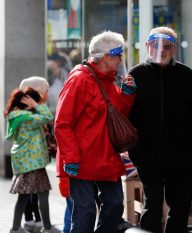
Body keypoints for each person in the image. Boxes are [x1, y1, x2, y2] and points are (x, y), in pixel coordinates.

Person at [128, 26, 192, 233]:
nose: (161, 50)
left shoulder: (186, 75)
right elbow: (123, 113)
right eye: (156, 45)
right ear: (148, 46)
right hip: (147, 155)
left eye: (166, 46)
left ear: (174, 49)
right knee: (153, 204)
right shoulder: (135, 75)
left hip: (181, 156)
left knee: (180, 207)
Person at [54, 30, 136, 233]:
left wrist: (127, 95)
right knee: (85, 214)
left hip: (105, 157)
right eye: (119, 55)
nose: (121, 60)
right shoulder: (79, 79)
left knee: (116, 205)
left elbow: (117, 116)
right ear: (107, 56)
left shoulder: (108, 80)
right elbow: (62, 123)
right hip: (82, 160)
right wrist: (71, 158)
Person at [4, 87, 55, 233]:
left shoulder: (16, 116)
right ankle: (47, 228)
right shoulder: (27, 118)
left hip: (24, 163)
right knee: (43, 193)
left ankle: (15, 228)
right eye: (35, 101)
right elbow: (48, 118)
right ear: (28, 102)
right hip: (34, 163)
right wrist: (36, 105)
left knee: (23, 196)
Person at [19, 77, 53, 233]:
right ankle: (32, 220)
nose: (48, 93)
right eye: (45, 90)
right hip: (29, 159)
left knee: (33, 191)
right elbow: (47, 120)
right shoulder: (27, 112)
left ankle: (36, 220)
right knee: (29, 190)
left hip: (34, 159)